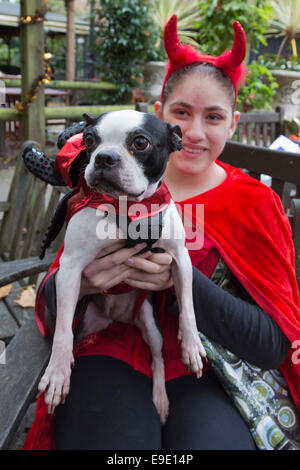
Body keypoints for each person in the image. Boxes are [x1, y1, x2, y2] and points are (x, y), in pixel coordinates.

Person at [23, 15, 300, 451]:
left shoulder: (254, 204)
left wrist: (175, 278)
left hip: (206, 371)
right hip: (106, 346)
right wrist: (85, 285)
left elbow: (271, 344)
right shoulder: (100, 194)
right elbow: (53, 296)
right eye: (181, 113)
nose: (193, 132)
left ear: (233, 123)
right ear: (159, 121)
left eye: (213, 117)